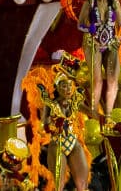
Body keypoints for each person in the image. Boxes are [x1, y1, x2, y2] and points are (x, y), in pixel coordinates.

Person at [77, 0, 121, 116]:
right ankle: (94, 112)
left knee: (113, 80)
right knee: (97, 81)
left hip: (110, 43)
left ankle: (108, 114)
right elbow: (80, 24)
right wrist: (88, 29)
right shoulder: (89, 3)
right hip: (93, 44)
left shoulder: (114, 2)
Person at [40, 56, 89, 191]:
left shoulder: (75, 102)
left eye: (69, 85)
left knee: (83, 184)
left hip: (73, 142)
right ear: (57, 87)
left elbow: (91, 112)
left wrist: (106, 119)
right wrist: (53, 124)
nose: (68, 89)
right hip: (57, 144)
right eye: (64, 86)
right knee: (58, 186)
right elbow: (43, 125)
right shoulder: (50, 105)